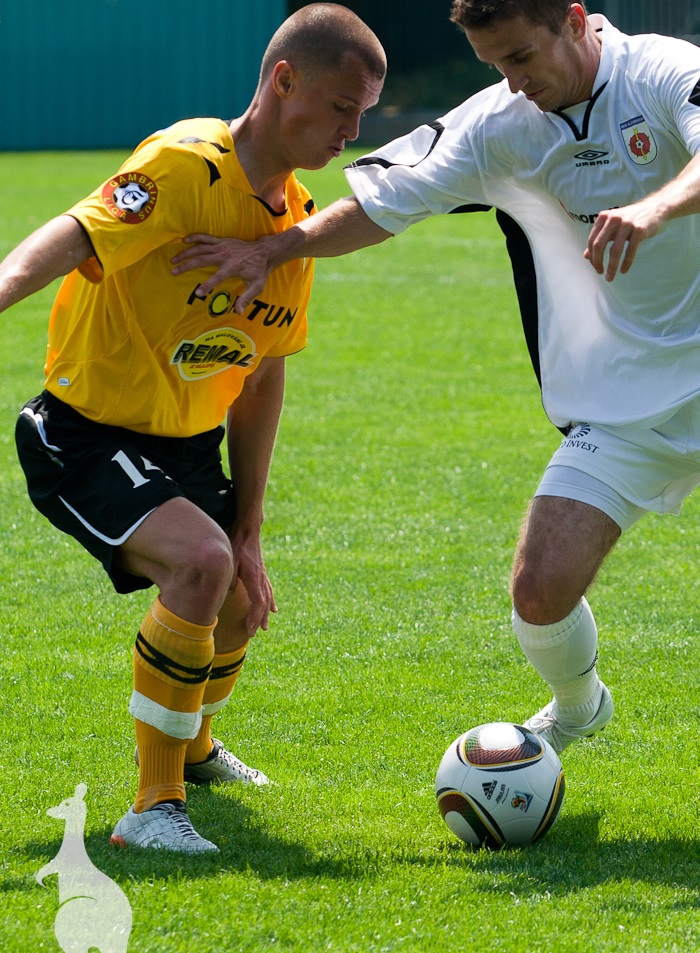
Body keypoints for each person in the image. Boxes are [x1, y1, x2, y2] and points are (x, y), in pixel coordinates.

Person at [170, 0, 700, 757]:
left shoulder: (665, 71)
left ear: (576, 22)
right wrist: (277, 249)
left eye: (520, 58)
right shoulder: (499, 122)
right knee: (539, 591)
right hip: (625, 407)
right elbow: (382, 207)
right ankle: (580, 708)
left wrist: (650, 211)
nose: (512, 83)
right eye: (495, 67)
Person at [2, 4, 386, 853]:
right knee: (200, 564)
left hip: (183, 445)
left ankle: (199, 748)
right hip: (84, 433)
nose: (351, 133)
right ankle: (152, 807)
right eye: (340, 109)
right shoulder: (184, 164)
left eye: (361, 116)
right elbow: (73, 235)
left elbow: (262, 372)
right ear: (284, 81)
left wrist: (249, 522)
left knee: (244, 598)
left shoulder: (297, 221)